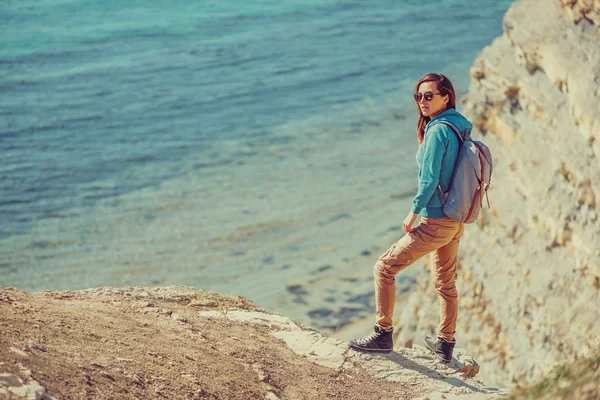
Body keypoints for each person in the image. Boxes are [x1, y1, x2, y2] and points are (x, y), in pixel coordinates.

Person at [348, 73, 472, 363]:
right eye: (418, 96)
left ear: (446, 97)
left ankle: (382, 333)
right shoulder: (458, 125)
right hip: (454, 220)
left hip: (436, 220)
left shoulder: (438, 131)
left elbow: (429, 180)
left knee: (384, 268)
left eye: (429, 95)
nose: (422, 102)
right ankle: (445, 343)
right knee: (445, 283)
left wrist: (413, 211)